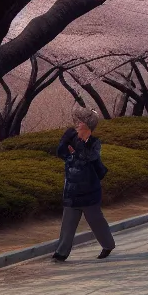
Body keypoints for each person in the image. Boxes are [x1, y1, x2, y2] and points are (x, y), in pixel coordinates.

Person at [52, 106, 116, 262]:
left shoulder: (95, 143)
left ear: (88, 124)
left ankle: (108, 245)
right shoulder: (70, 136)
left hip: (89, 191)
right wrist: (65, 141)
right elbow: (62, 153)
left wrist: (77, 150)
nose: (77, 124)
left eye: (80, 121)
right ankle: (61, 253)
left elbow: (87, 157)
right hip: (71, 189)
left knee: (96, 221)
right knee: (67, 224)